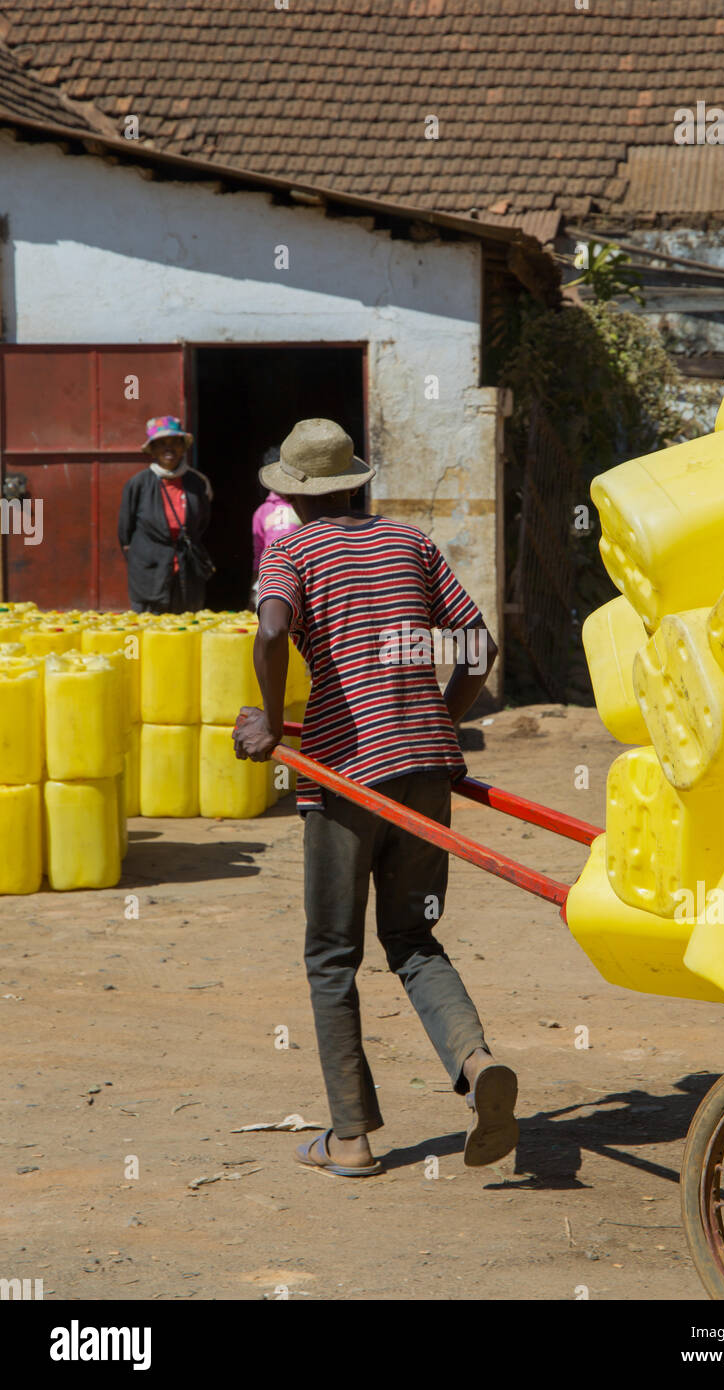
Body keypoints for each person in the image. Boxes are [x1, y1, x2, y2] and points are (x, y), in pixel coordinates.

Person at [233, 418, 517, 1177]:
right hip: (426, 767)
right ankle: (475, 1059)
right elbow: (479, 647)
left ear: (290, 497)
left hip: (343, 773)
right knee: (413, 938)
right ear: (355, 483)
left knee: (333, 954)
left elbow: (269, 632)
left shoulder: (289, 549)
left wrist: (268, 719)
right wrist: (437, 724)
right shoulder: (409, 543)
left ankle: (351, 1137)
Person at [118, 416, 213, 614]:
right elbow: (125, 532)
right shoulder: (138, 484)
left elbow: (202, 522)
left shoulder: (197, 483)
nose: (168, 449)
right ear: (152, 449)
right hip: (149, 574)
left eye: (174, 443)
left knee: (185, 630)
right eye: (161, 444)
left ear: (183, 447)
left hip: (187, 572)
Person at [250, 449, 302, 607]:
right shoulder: (262, 512)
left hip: (301, 577)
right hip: (271, 580)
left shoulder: (302, 507)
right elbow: (258, 555)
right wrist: (253, 590)